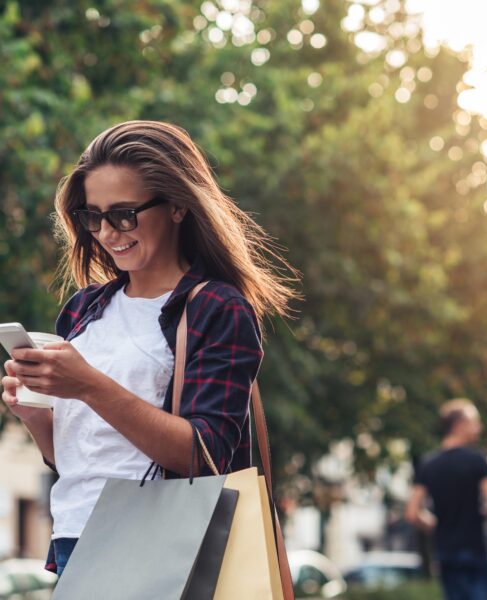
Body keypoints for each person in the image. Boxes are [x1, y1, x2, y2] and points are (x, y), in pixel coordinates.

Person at [0, 120, 298, 576]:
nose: (107, 232)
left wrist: (89, 386)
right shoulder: (84, 309)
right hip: (76, 536)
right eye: (93, 216)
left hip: (163, 543)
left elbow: (205, 454)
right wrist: (38, 417)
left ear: (177, 206)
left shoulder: (216, 308)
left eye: (124, 213)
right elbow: (84, 457)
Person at [405, 398, 487, 600]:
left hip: (445, 550)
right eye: (475, 422)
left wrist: (437, 525)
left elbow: (412, 513)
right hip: (473, 547)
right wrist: (476, 517)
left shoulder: (429, 464)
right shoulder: (477, 460)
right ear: (460, 425)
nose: (479, 427)